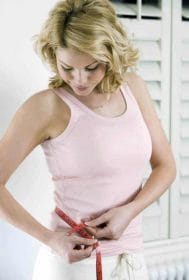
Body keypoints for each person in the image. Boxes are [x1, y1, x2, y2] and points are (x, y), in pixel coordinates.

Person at [0, 0, 176, 279]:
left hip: (133, 260)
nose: (79, 80)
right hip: (74, 265)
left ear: (111, 56)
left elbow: (166, 166)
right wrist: (49, 238)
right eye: (66, 67)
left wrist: (129, 211)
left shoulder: (133, 88)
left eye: (91, 67)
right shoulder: (45, 107)